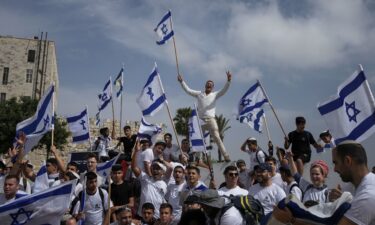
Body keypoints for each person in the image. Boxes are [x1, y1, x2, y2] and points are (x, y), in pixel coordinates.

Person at [274, 141, 375, 225]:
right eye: (312, 174)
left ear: (348, 161)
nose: (334, 169)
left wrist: (291, 220)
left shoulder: (367, 196)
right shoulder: (351, 188)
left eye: (336, 163)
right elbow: (295, 174)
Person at [177, 71, 232, 162]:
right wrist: (182, 82)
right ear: (205, 85)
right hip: (200, 120)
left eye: (211, 84)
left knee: (217, 137)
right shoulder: (199, 94)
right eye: (208, 84)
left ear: (213, 87)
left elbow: (224, 91)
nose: (209, 85)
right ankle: (199, 159)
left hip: (211, 120)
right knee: (199, 139)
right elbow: (188, 90)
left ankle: (226, 156)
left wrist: (228, 81)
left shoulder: (215, 95)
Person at [132, 141, 167, 219]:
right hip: (142, 216)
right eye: (154, 168)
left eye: (158, 169)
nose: (155, 171)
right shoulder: (145, 178)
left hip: (156, 218)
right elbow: (134, 168)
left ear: (163, 172)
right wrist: (136, 151)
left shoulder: (164, 184)